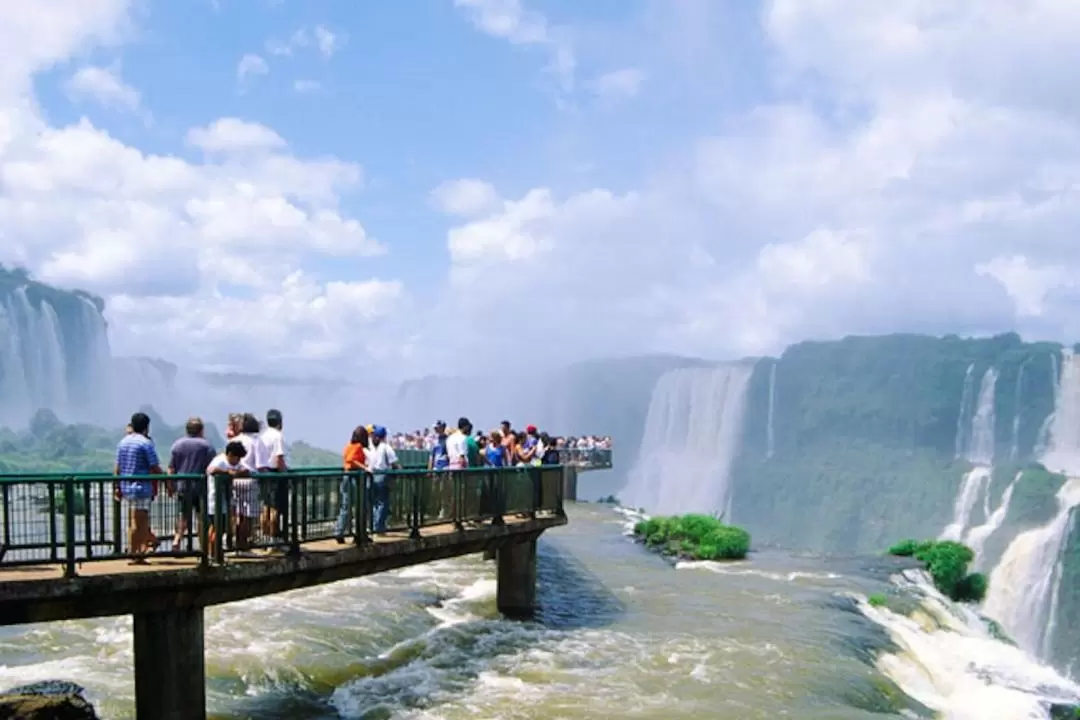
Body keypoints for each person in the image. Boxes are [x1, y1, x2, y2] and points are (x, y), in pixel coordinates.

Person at [114, 412, 163, 564]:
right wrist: (166, 479)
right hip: (141, 487)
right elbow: (154, 466)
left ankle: (135, 552)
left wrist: (117, 486)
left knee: (135, 522)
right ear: (146, 427)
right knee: (140, 523)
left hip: (126, 486)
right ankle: (137, 555)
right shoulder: (145, 443)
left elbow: (117, 467)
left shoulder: (123, 442)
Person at [167, 416, 216, 550]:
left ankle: (177, 540)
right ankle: (203, 547)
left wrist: (170, 485)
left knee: (184, 515)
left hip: (182, 485)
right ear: (201, 430)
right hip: (201, 487)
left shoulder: (177, 445)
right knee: (202, 518)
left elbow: (171, 468)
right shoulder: (207, 445)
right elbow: (212, 467)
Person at [205, 440, 249, 560]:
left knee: (219, 527)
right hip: (215, 500)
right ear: (230, 454)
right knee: (216, 527)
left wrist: (239, 472)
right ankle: (213, 553)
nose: (238, 460)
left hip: (224, 501)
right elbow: (211, 470)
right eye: (237, 457)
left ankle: (214, 552)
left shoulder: (234, 463)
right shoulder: (220, 461)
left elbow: (244, 470)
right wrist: (227, 473)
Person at [232, 413, 264, 552]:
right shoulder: (256, 442)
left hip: (234, 480)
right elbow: (259, 463)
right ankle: (244, 543)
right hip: (250, 480)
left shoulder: (235, 440)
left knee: (238, 513)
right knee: (248, 514)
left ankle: (236, 540)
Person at [257, 409, 289, 542]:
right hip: (275, 474)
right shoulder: (278, 436)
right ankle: (274, 536)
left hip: (264, 472)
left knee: (266, 505)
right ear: (280, 422)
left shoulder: (262, 436)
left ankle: (265, 535)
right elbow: (279, 458)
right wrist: (285, 474)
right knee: (275, 507)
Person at [336, 425, 370, 543]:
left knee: (345, 505)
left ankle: (339, 532)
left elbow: (347, 459)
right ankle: (360, 533)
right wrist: (364, 467)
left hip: (346, 476)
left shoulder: (348, 446)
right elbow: (351, 460)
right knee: (361, 506)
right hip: (354, 477)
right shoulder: (358, 446)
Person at [367, 426, 400, 533]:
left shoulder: (372, 448)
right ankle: (379, 527)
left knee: (375, 503)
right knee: (383, 502)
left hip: (372, 476)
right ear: (384, 436)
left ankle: (372, 525)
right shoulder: (386, 447)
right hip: (383, 476)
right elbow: (394, 463)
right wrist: (400, 470)